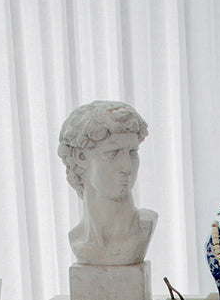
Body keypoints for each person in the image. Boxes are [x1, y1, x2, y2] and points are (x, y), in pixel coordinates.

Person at [57, 100, 157, 266]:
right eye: (113, 153)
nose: (127, 167)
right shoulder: (77, 239)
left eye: (132, 152)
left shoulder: (144, 226)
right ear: (81, 157)